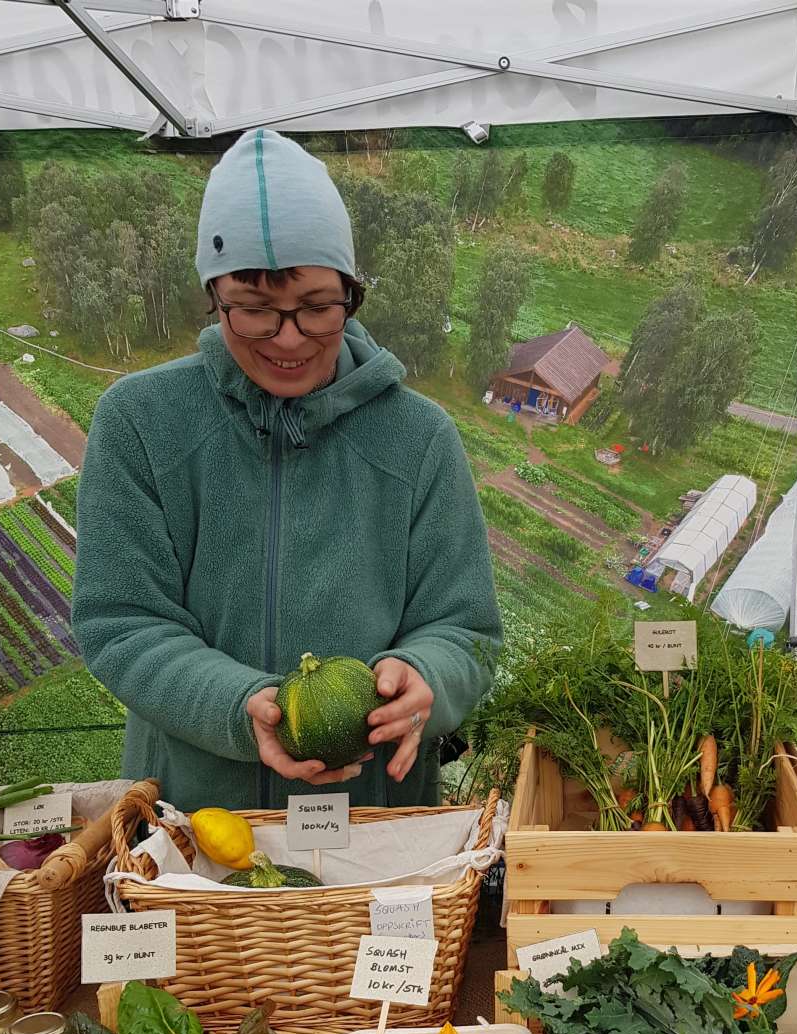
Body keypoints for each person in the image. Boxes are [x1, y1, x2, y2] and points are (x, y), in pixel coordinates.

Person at [72, 129, 501, 811]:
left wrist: (426, 678)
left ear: (352, 293)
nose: (290, 338)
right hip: (194, 810)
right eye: (255, 312)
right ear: (213, 297)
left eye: (317, 307)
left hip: (375, 813)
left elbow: (466, 631)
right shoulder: (140, 421)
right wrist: (241, 706)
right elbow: (122, 622)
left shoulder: (418, 438)